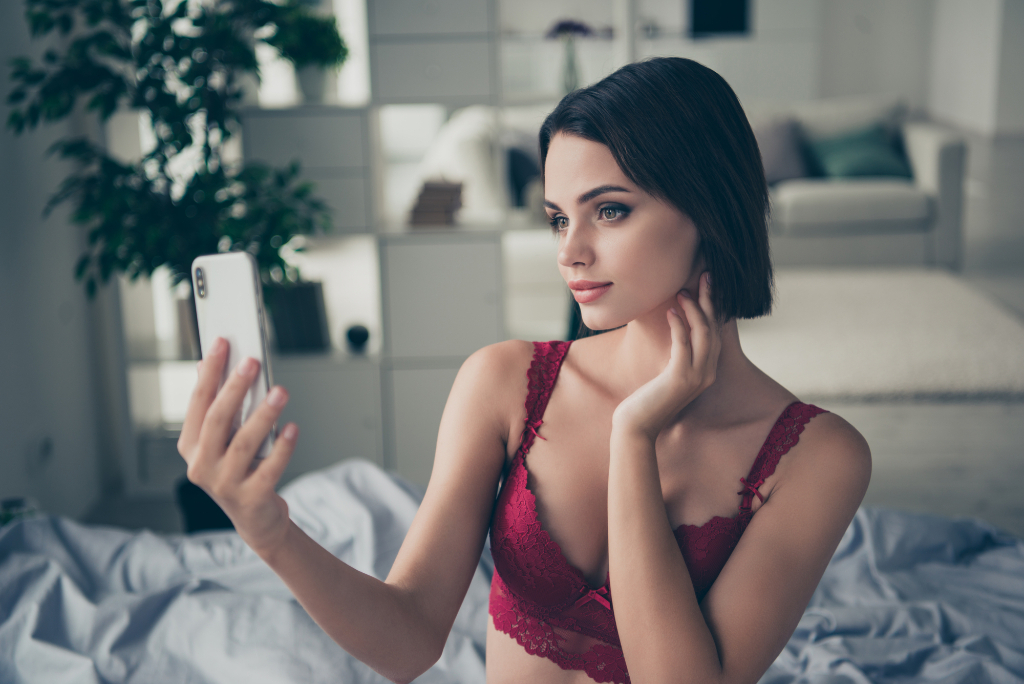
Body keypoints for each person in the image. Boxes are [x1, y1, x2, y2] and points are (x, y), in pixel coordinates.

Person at [178, 57, 871, 684]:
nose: (571, 250)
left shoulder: (819, 456)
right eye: (556, 219)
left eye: (609, 210)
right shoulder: (507, 383)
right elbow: (409, 642)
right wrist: (269, 531)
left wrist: (633, 439)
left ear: (710, 207)